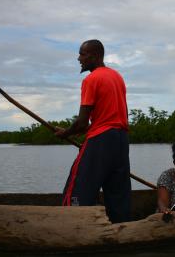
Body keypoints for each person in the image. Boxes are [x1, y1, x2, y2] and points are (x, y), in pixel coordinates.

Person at [54, 39, 131, 223]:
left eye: (82, 54)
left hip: (101, 141)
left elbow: (81, 122)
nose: (79, 58)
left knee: (78, 188)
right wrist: (79, 130)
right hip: (121, 140)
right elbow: (108, 118)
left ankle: (72, 225)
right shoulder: (116, 77)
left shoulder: (91, 79)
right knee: (117, 193)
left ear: (95, 56)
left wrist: (66, 133)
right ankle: (120, 228)